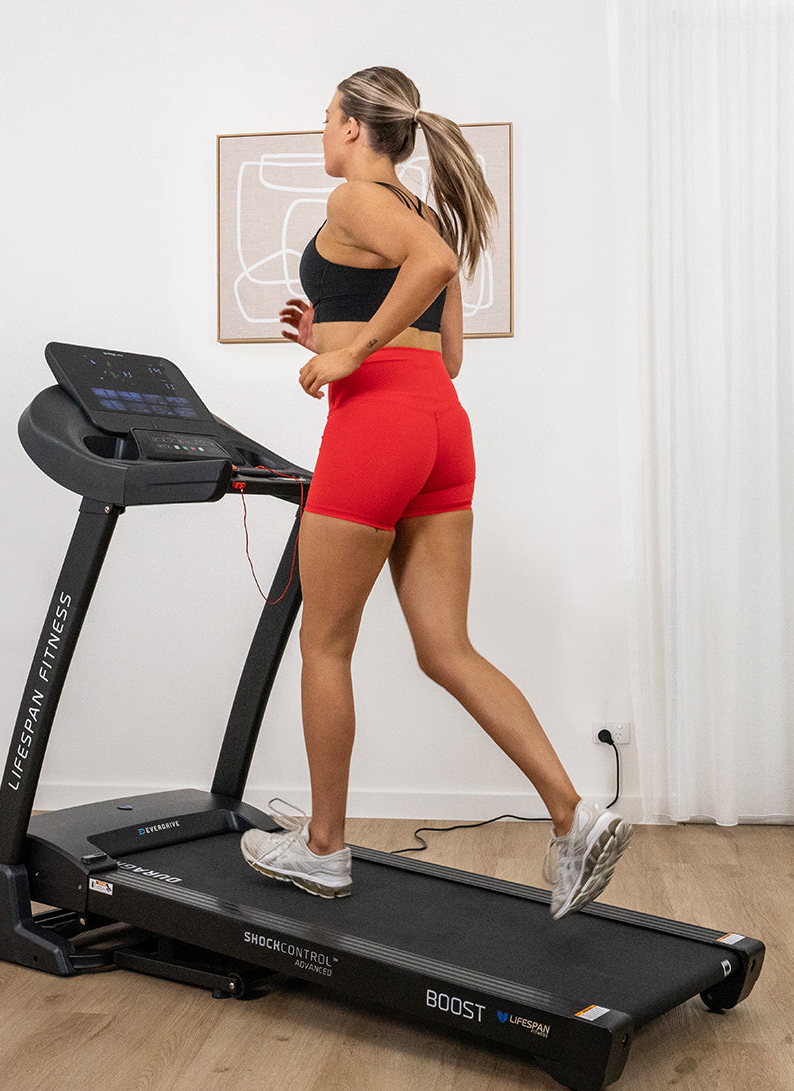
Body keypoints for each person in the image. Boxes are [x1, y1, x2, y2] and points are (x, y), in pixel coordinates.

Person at [240, 66, 630, 918]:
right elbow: (444, 357)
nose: (322, 131)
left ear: (352, 127)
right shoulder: (424, 210)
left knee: (324, 646)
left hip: (377, 429)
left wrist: (350, 352)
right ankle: (575, 815)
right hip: (440, 430)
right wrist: (328, 336)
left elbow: (435, 267)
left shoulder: (355, 200)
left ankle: (323, 850)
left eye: (327, 117)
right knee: (447, 648)